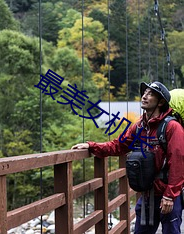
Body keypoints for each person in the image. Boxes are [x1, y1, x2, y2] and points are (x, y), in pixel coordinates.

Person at [71, 81, 184, 234]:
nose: (144, 96)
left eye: (150, 94)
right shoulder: (138, 126)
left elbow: (178, 162)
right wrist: (92, 146)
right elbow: (119, 146)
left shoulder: (172, 127)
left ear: (161, 102)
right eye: (144, 93)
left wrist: (170, 196)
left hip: (167, 195)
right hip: (147, 194)